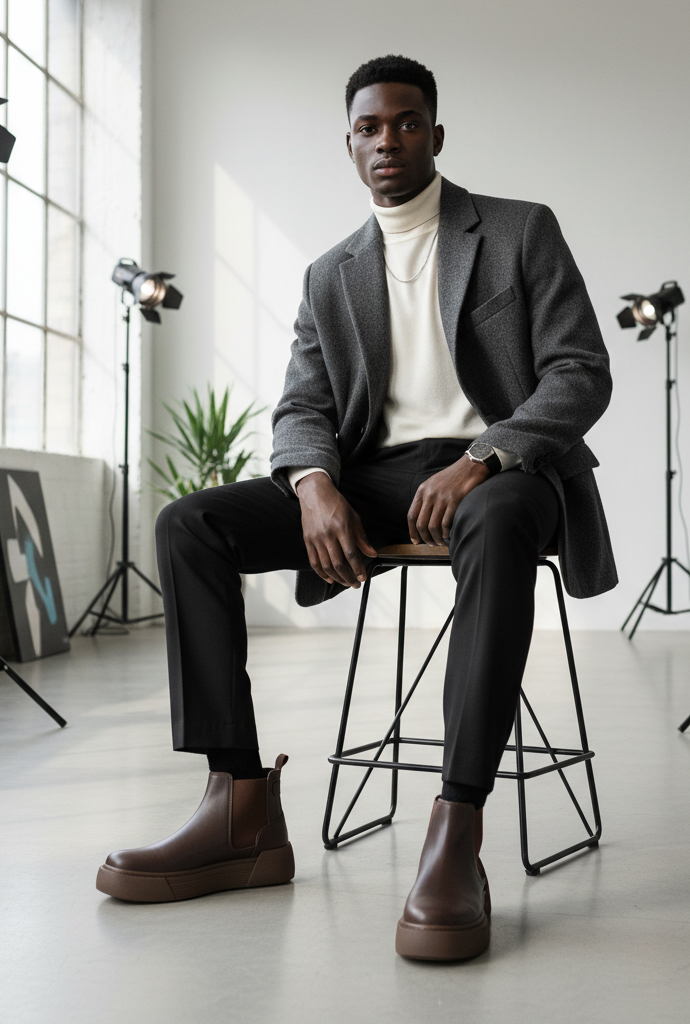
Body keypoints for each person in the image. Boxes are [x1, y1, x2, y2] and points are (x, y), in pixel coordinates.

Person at [96, 55, 616, 962]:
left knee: (493, 525)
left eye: (407, 123)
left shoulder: (519, 231)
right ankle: (239, 807)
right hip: (376, 476)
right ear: (349, 144)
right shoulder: (330, 272)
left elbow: (580, 373)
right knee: (190, 525)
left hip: (505, 473)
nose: (388, 140)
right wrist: (313, 484)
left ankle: (457, 828)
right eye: (370, 128)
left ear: (436, 135)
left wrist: (484, 456)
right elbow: (302, 406)